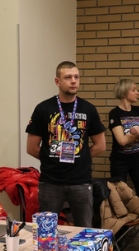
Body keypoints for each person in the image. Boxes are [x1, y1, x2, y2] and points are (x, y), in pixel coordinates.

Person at [26, 61, 106, 227]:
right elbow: (31, 148)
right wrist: (52, 158)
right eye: (68, 77)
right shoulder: (43, 108)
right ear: (57, 81)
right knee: (46, 231)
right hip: (50, 181)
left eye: (76, 77)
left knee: (84, 230)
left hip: (81, 181)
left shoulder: (88, 109)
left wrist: (81, 157)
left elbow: (100, 146)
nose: (73, 81)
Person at [108, 79, 139, 200]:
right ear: (124, 93)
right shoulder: (114, 113)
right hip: (120, 161)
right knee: (119, 193)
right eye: (133, 90)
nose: (137, 92)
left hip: (138, 159)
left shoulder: (138, 111)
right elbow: (122, 141)